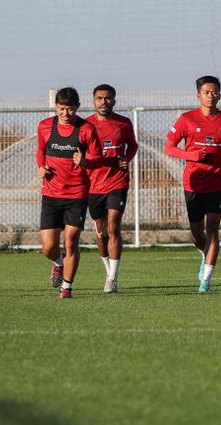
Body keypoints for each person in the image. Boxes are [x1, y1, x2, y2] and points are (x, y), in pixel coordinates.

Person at [165, 75, 221, 293]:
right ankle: (204, 252)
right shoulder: (187, 119)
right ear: (199, 95)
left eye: (215, 92)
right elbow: (169, 147)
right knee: (197, 234)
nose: (211, 96)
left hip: (218, 183)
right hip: (193, 184)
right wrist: (191, 155)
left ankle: (206, 280)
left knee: (213, 230)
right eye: (207, 92)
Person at [37, 87, 102, 298]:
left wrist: (85, 161)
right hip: (51, 194)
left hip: (77, 195)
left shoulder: (87, 130)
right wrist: (41, 166)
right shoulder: (45, 127)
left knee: (71, 240)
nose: (66, 114)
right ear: (56, 106)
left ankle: (67, 287)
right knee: (48, 247)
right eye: (62, 109)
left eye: (71, 110)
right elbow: (40, 150)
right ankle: (58, 262)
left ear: (78, 108)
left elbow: (99, 159)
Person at [86, 84, 138, 294]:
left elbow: (132, 145)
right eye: (99, 98)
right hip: (93, 185)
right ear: (93, 101)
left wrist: (127, 158)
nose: (103, 102)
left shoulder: (123, 123)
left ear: (114, 100)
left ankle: (112, 279)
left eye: (108, 98)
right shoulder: (86, 125)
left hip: (118, 182)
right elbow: (78, 150)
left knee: (113, 226)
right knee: (100, 232)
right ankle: (108, 271)